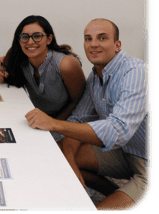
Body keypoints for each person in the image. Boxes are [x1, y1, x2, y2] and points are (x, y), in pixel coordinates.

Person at [25, 19, 148, 210]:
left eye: (102, 38)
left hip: (149, 162)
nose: (93, 44)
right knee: (59, 158)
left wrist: (53, 124)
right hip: (124, 152)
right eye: (88, 38)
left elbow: (119, 129)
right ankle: (117, 194)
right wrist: (70, 163)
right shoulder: (95, 76)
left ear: (117, 45)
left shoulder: (135, 72)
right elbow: (78, 118)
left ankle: (130, 198)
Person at [0, 15, 86, 127]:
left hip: (69, 119)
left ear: (49, 39)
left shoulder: (66, 64)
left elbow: (80, 102)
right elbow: (2, 65)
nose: (30, 42)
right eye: (24, 37)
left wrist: (53, 124)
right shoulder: (18, 57)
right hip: (39, 118)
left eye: (37, 36)